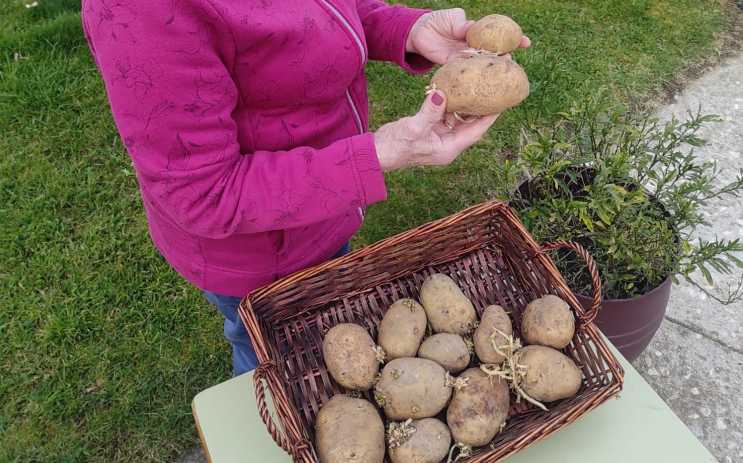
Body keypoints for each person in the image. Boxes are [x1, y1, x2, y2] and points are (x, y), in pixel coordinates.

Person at [80, 0, 530, 376]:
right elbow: (205, 193)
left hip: (326, 206)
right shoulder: (141, 10)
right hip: (257, 251)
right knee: (272, 359)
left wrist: (405, 29)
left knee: (326, 323)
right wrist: (374, 156)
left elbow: (325, 13)